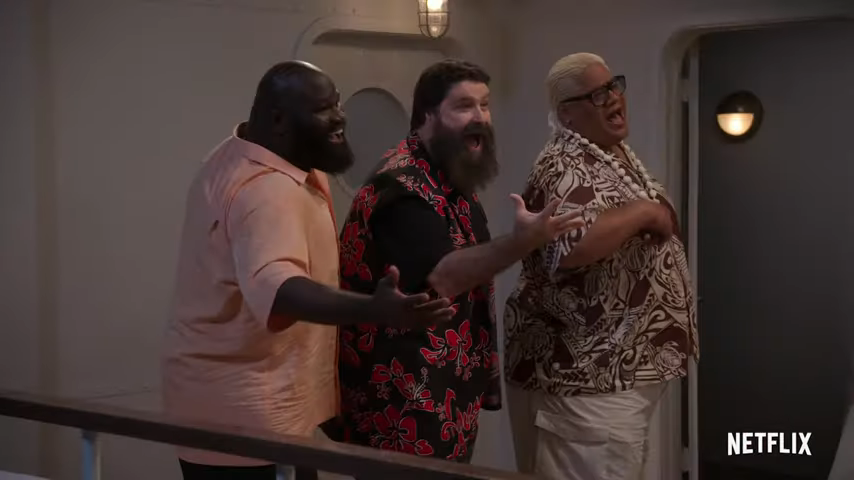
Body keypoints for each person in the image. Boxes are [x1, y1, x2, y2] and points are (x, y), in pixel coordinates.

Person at [161, 60, 454, 480]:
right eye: (322, 109)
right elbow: (280, 287)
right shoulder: (267, 191)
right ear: (279, 120)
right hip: (247, 419)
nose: (340, 116)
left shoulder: (237, 154)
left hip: (237, 406)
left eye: (336, 102)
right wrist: (376, 310)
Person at [322, 59, 584, 466]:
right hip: (403, 400)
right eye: (464, 106)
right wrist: (523, 241)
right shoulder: (402, 186)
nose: (480, 118)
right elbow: (444, 276)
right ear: (427, 115)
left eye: (485, 105)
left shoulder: (446, 176)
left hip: (443, 389)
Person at [503, 52, 698, 480]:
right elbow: (570, 245)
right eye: (596, 94)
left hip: (616, 379)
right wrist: (645, 212)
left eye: (613, 87)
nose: (612, 98)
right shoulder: (562, 165)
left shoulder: (610, 155)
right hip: (585, 385)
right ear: (567, 114)